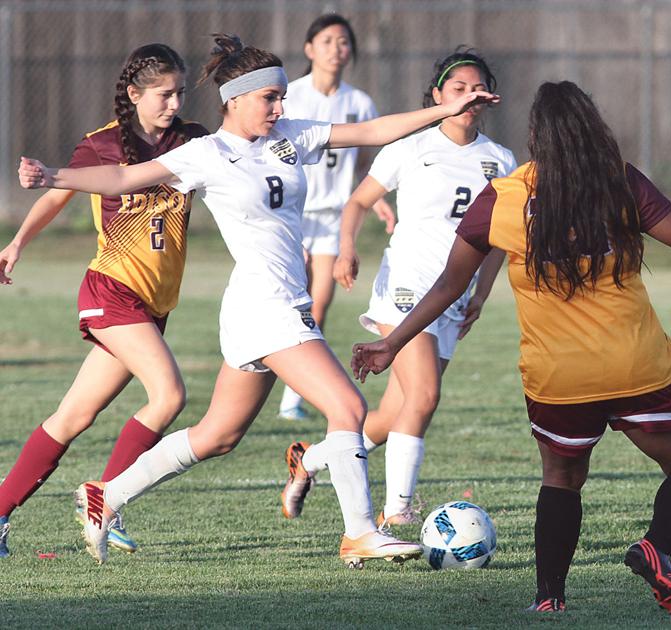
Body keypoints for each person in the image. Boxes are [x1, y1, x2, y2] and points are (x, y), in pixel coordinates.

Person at [349, 81, 671, 614]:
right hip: (637, 365)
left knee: (561, 480)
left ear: (537, 137)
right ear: (591, 127)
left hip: (559, 379)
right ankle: (656, 546)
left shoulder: (506, 197)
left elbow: (448, 284)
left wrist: (392, 342)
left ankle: (549, 600)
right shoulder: (617, 183)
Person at [18, 33, 500, 567]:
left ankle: (108, 496)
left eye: (281, 97)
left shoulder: (289, 136)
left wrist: (444, 110)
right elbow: (123, 176)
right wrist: (52, 176)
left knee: (219, 434)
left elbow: (371, 130)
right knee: (348, 407)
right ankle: (361, 531)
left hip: (268, 304)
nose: (279, 107)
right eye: (269, 98)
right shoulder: (205, 153)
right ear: (235, 100)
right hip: (265, 304)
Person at [0, 43, 207, 559]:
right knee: (169, 396)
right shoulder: (103, 145)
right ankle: (105, 502)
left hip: (153, 305)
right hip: (112, 290)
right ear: (134, 94)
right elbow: (56, 195)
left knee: (72, 417)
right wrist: (17, 242)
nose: (173, 103)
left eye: (180, 92)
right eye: (163, 93)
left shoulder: (193, 142)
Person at [294, 48, 515, 528]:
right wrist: (347, 247)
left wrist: (482, 292)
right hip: (408, 284)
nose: (468, 97)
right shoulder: (410, 147)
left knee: (396, 412)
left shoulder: (500, 160)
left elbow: (500, 236)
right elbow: (357, 201)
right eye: (458, 89)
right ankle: (398, 511)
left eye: (478, 88)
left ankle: (308, 461)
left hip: (454, 296)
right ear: (437, 95)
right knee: (424, 398)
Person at [277, 13, 395, 421]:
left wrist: (374, 199)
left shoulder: (359, 103)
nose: (336, 48)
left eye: (343, 41)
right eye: (327, 40)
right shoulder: (288, 96)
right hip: (290, 216)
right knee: (285, 301)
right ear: (310, 49)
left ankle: (292, 400)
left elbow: (364, 166)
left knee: (318, 303)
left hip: (331, 219)